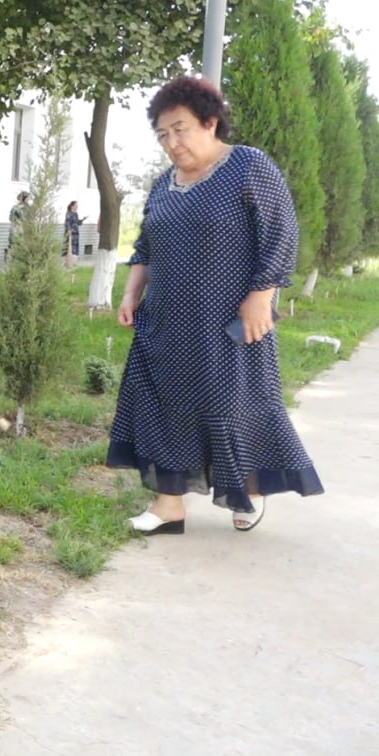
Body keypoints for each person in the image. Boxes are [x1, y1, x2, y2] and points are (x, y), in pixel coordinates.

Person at [110, 76, 324, 535]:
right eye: (163, 134)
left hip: (228, 318)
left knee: (236, 405)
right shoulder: (164, 183)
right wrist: (131, 294)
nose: (171, 142)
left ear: (210, 123)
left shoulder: (248, 166)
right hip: (164, 319)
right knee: (161, 404)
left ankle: (249, 489)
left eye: (180, 129)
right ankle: (169, 505)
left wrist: (261, 296)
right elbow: (147, 245)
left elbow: (281, 235)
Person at [6, 191, 29, 261]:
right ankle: (11, 262)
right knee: (13, 245)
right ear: (23, 198)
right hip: (17, 228)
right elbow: (11, 218)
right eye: (27, 198)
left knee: (23, 246)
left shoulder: (28, 208)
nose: (28, 200)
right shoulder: (15, 208)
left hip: (25, 229)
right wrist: (18, 221)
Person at [63, 200, 86, 269]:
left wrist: (82, 220)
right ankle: (67, 262)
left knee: (75, 248)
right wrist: (69, 230)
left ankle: (73, 262)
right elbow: (67, 223)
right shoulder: (69, 214)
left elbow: (77, 222)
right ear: (72, 206)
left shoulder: (76, 214)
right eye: (76, 206)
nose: (77, 207)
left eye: (77, 206)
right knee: (68, 247)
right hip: (70, 233)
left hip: (76, 233)